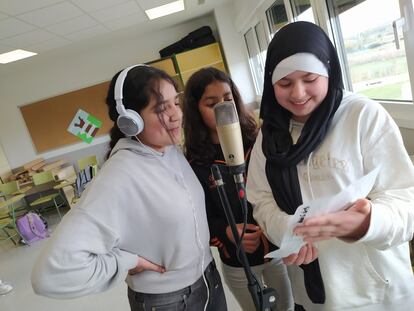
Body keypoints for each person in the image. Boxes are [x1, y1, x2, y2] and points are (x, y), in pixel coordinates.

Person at [246, 21, 414, 311]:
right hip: (314, 293)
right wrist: (290, 231)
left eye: (310, 78)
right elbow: (261, 199)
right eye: (285, 83)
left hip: (377, 291)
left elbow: (405, 197)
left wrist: (368, 222)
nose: (298, 93)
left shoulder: (362, 116)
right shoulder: (270, 132)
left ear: (328, 71)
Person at [31, 65, 227, 311]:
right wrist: (126, 261)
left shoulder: (169, 151)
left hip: (209, 281)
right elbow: (49, 274)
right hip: (170, 301)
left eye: (175, 102)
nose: (176, 114)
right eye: (161, 108)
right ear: (130, 121)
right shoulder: (119, 176)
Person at [183, 67, 294, 311]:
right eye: (211, 104)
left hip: (276, 249)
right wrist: (227, 232)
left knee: (286, 306)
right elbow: (197, 218)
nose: (223, 108)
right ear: (195, 111)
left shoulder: (259, 141)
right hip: (238, 262)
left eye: (227, 99)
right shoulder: (195, 164)